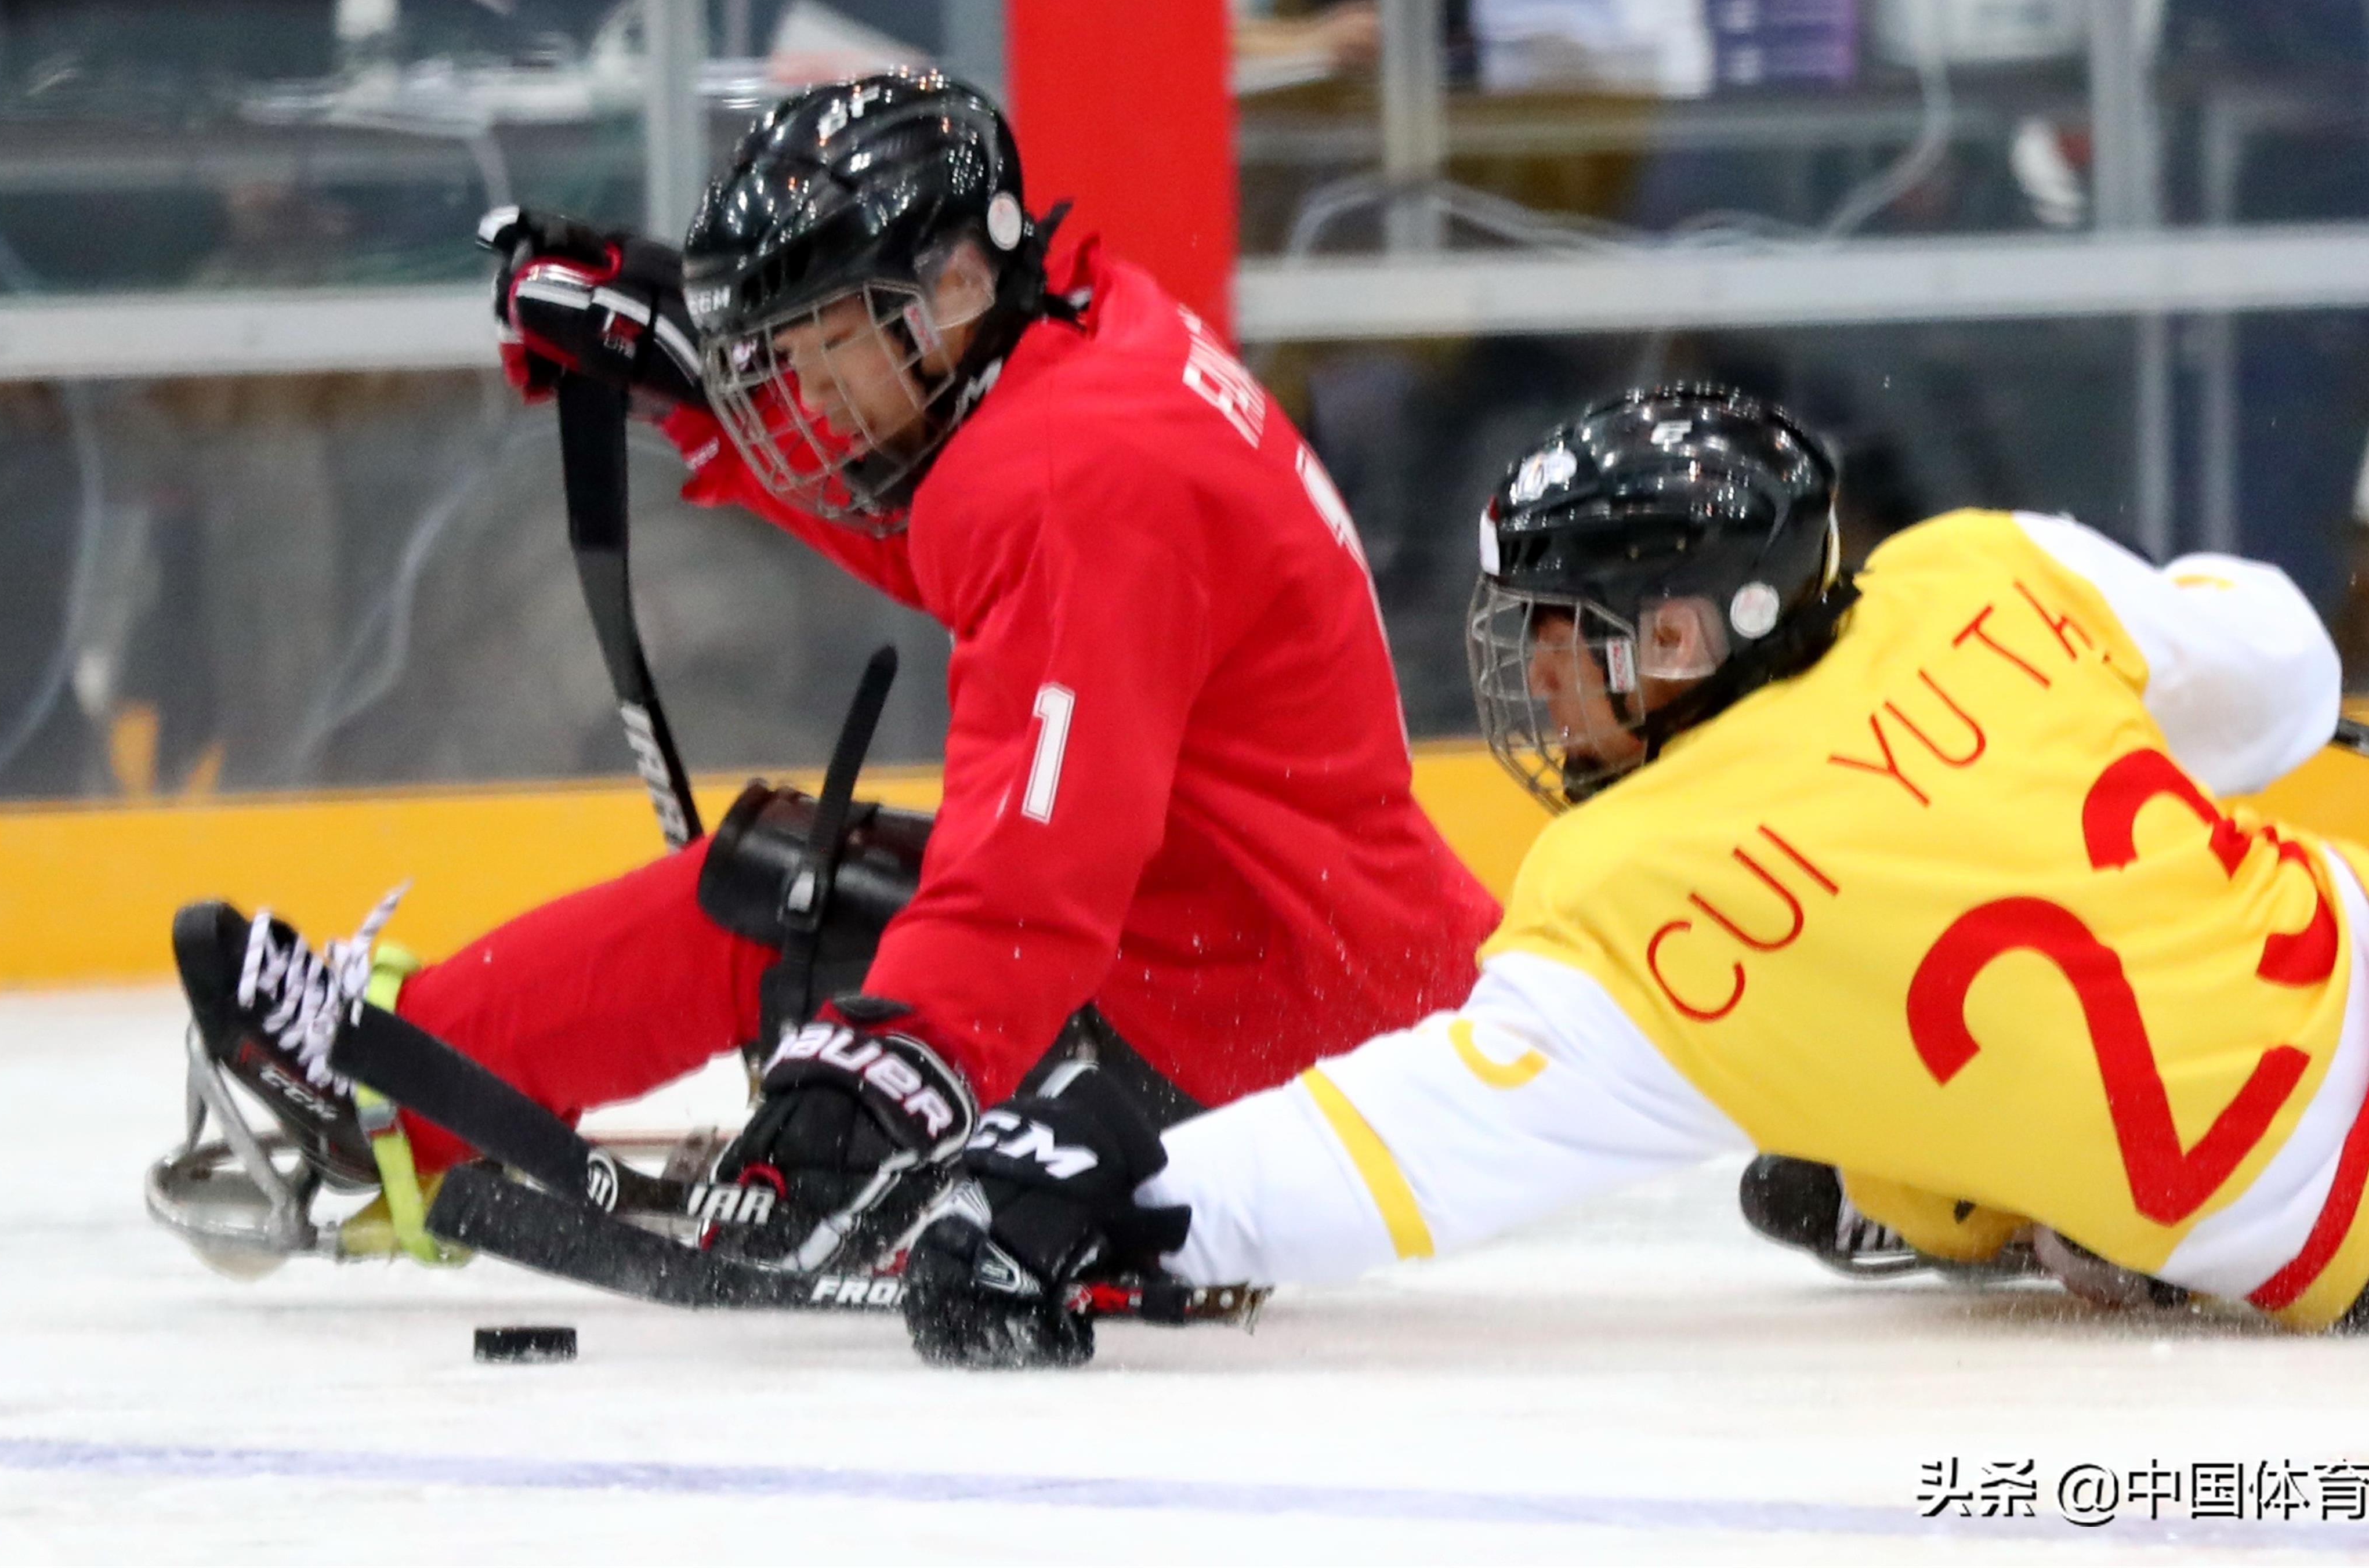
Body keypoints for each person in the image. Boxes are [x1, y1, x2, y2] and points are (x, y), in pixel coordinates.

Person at [167, 73, 1499, 1281]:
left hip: (1267, 1047)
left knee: (783, 898)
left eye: (814, 340)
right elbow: (945, 525)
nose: (791, 382)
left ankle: (406, 1093)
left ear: (955, 290)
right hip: (1270, 957)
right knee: (797, 880)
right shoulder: (1077, 347)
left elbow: (1033, 879)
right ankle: (428, 1065)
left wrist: (889, 1072)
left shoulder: (1083, 485)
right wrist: (680, 377)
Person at [899, 383, 2369, 1366]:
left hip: (2320, 1231)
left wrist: (1120, 1195)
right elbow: (2279, 667)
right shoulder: (1979, 569)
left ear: (1685, 634)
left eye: (1564, 635)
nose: (1539, 679)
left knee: (1889, 1086)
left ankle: (1972, 1205)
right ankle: (1952, 1193)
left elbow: (1398, 1149)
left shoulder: (1640, 889)